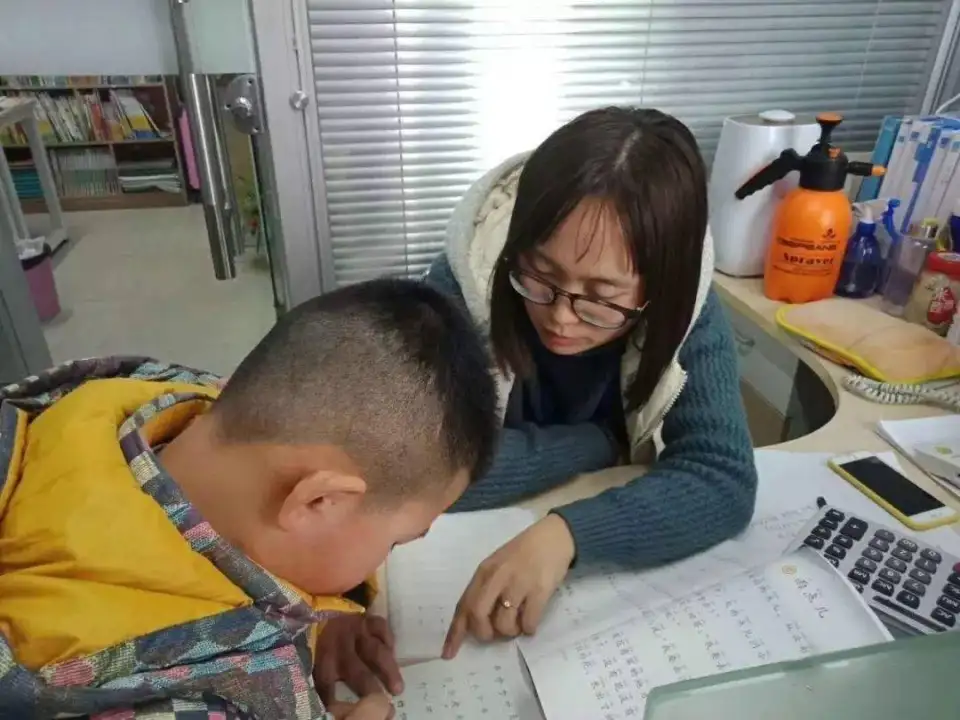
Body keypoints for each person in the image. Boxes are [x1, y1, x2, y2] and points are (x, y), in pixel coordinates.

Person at [0, 279, 497, 720]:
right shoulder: (192, 700)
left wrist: (317, 614)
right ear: (319, 502)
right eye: (396, 541)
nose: (386, 559)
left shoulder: (117, 405)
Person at [424, 107, 759, 658]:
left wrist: (567, 535)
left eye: (602, 299)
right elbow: (422, 462)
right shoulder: (467, 279)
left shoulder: (686, 307)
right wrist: (597, 443)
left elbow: (722, 478)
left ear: (662, 285)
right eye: (541, 275)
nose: (561, 317)